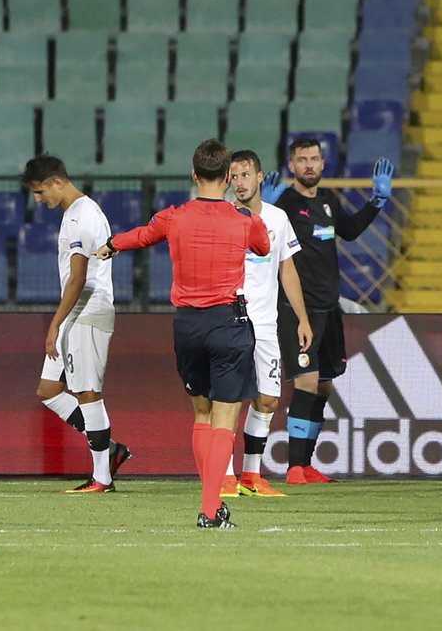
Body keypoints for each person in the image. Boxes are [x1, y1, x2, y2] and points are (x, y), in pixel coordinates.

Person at [95, 139, 270, 529]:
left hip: (187, 325)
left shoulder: (174, 217)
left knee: (202, 413)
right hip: (228, 323)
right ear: (227, 177)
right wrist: (247, 213)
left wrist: (110, 245)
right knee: (226, 418)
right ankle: (210, 509)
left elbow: (140, 235)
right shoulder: (243, 220)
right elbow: (263, 245)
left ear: (194, 175)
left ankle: (213, 506)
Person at [260, 138, 393, 485]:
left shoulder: (328, 201)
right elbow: (260, 241)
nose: (308, 165)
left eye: (314, 159)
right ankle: (292, 469)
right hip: (296, 309)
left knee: (323, 388)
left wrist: (376, 202)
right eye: (302, 159)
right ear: (292, 166)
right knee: (304, 382)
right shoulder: (284, 204)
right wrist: (263, 211)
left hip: (328, 309)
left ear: (322, 164)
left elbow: (348, 232)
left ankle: (306, 465)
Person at [22, 154, 130, 494]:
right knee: (49, 390)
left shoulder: (82, 216)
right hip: (75, 312)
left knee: (87, 393)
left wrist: (54, 324)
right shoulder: (75, 213)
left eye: (40, 192)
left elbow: (79, 277)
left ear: (57, 181)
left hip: (88, 309)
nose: (39, 200)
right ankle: (110, 450)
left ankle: (102, 478)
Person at [220, 149, 312, 498]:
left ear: (260, 177)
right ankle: (225, 476)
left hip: (265, 324)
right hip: (229, 323)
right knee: (227, 400)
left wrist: (302, 318)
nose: (240, 182)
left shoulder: (277, 218)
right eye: (234, 176)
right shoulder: (224, 217)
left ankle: (251, 476)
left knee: (268, 400)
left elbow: (287, 269)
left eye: (246, 175)